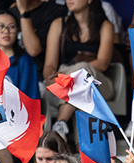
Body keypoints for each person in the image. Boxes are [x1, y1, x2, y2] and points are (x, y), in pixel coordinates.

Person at [43, 0, 114, 137]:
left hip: (97, 81)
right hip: (62, 80)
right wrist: (52, 77)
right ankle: (62, 128)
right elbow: (49, 65)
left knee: (82, 71)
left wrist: (73, 75)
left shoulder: (105, 26)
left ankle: (60, 123)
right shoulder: (58, 24)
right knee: (79, 90)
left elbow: (103, 63)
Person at [9, 0, 66, 78]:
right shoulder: (11, 13)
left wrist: (23, 12)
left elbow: (34, 50)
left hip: (37, 77)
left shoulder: (52, 12)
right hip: (14, 73)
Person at [0, 10, 38, 99]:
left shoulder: (25, 61)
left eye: (11, 27)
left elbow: (29, 98)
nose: (6, 31)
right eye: (0, 26)